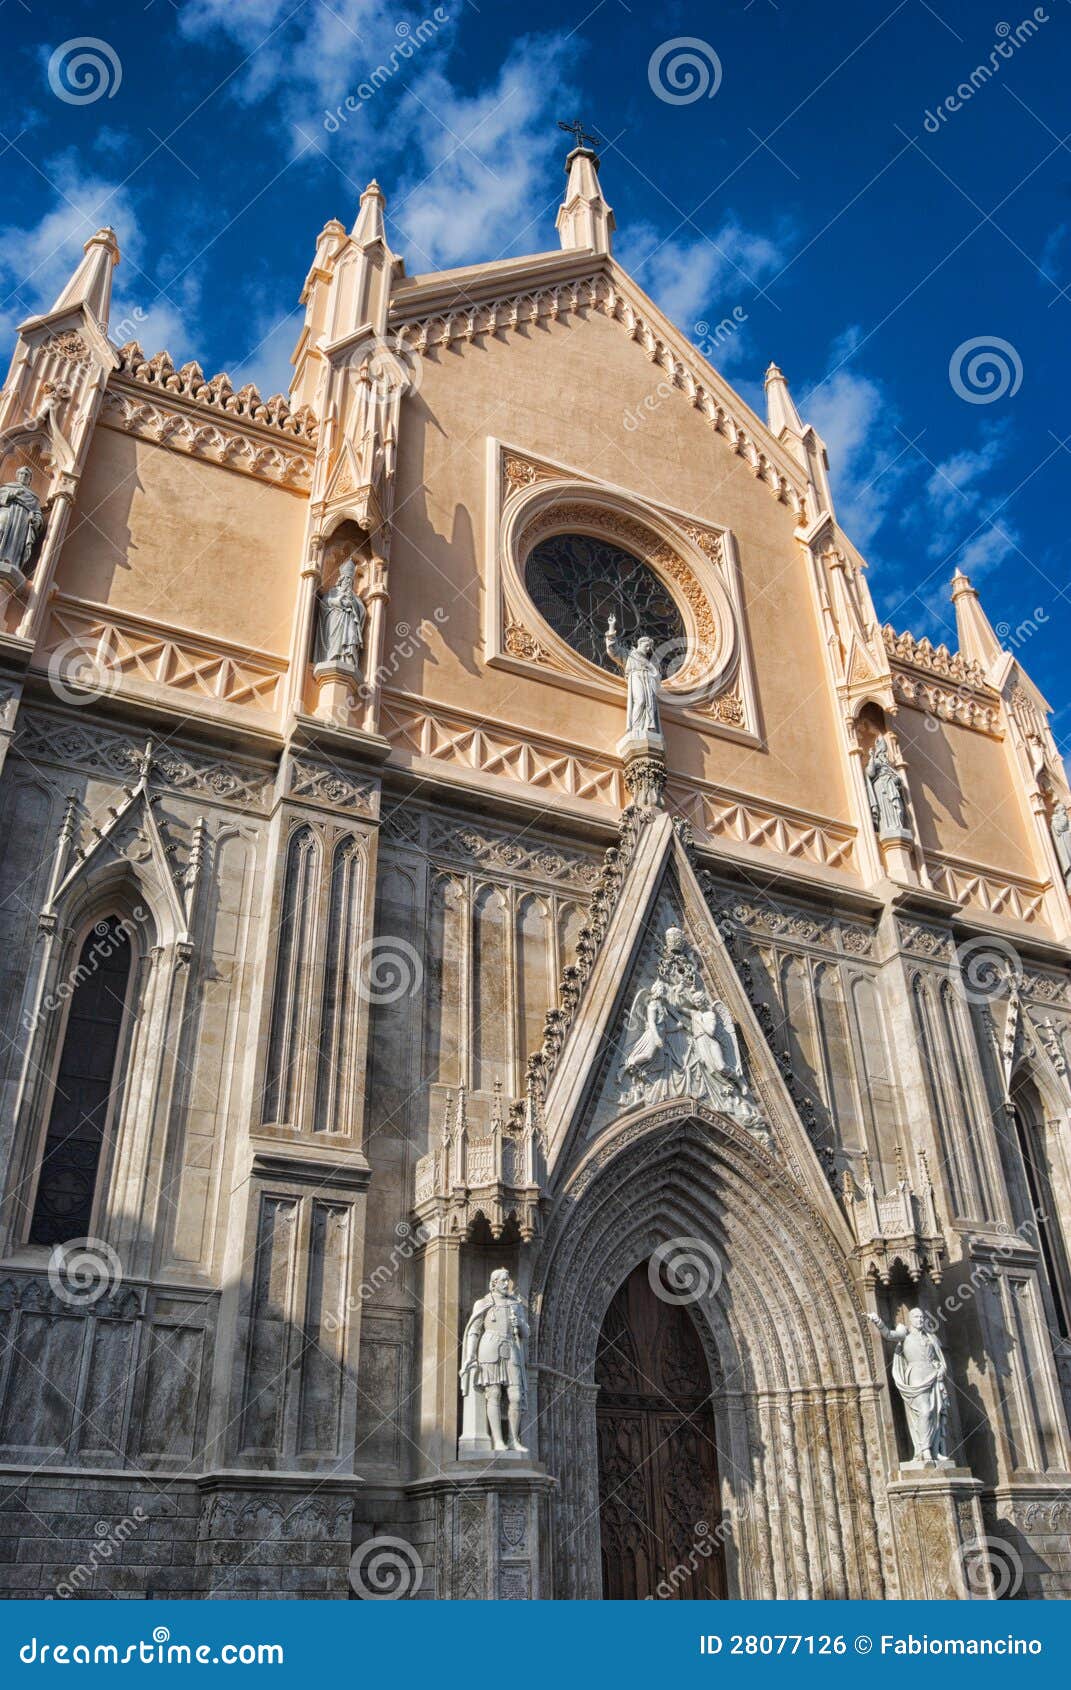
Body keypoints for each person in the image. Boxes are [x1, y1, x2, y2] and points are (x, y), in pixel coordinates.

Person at [868, 1307, 951, 1466]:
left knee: (936, 1413)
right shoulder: (904, 1334)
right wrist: (877, 1321)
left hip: (932, 1374)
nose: (920, 1320)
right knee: (925, 1411)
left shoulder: (930, 1337)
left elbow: (940, 1359)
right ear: (910, 1319)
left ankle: (936, 1450)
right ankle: (924, 1449)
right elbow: (888, 1335)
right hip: (916, 1375)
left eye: (921, 1317)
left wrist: (941, 1369)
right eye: (916, 1317)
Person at [460, 1268, 529, 1453]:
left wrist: (519, 1324)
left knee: (515, 1396)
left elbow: (527, 1333)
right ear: (494, 1283)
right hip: (489, 1347)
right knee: (494, 1393)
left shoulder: (516, 1304)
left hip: (511, 1347)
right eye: (503, 1281)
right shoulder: (483, 1303)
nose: (507, 1284)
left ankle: (513, 1439)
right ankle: (498, 1440)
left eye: (508, 1280)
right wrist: (469, 1356)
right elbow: (474, 1331)